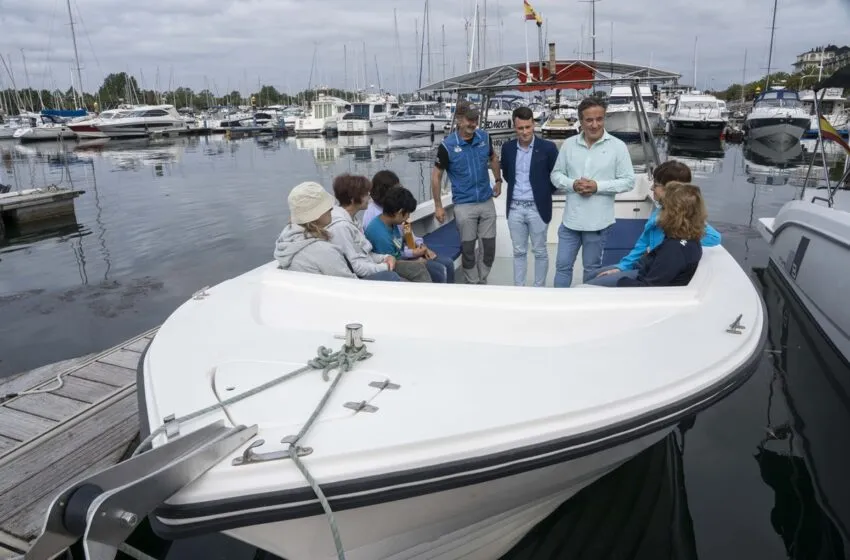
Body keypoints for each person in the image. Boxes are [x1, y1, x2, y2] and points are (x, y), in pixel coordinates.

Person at [586, 160, 722, 287]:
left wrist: (684, 229)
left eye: (656, 185)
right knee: (590, 276)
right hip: (644, 263)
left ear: (671, 189)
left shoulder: (676, 242)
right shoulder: (659, 212)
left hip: (649, 270)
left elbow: (714, 238)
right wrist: (621, 267)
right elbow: (642, 245)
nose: (651, 188)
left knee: (592, 285)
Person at [550, 97, 635, 287]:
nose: (595, 124)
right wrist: (573, 184)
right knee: (562, 267)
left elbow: (629, 182)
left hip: (598, 224)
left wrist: (597, 187)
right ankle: (558, 306)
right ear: (581, 121)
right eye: (589, 120)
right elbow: (555, 175)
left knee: (591, 269)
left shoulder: (617, 147)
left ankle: (585, 310)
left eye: (599, 119)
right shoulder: (569, 145)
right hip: (570, 222)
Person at [431, 101, 502, 284]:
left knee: (489, 249)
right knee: (468, 250)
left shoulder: (484, 138)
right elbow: (437, 176)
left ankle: (482, 280)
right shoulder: (447, 146)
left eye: (475, 119)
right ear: (459, 120)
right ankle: (472, 283)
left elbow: (493, 158)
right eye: (469, 120)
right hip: (464, 205)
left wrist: (498, 180)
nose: (473, 123)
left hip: (486, 201)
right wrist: (438, 206)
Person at [500, 106, 560, 287]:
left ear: (533, 124)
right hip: (515, 208)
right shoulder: (508, 148)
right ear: (514, 127)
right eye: (520, 128)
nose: (525, 132)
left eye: (528, 127)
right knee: (518, 251)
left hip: (538, 207)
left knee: (540, 250)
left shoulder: (548, 148)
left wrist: (542, 192)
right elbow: (507, 175)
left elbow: (555, 177)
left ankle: (539, 288)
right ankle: (519, 289)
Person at [363, 170, 455, 283]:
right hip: (396, 259)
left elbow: (407, 231)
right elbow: (391, 257)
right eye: (397, 188)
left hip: (405, 251)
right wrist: (414, 255)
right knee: (437, 271)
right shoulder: (379, 219)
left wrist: (421, 246)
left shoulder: (395, 216)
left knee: (447, 263)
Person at [617, 182, 707, 287]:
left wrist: (621, 281)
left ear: (672, 213)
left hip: (640, 288)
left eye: (663, 208)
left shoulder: (674, 250)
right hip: (644, 274)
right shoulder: (690, 240)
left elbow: (648, 288)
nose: (660, 212)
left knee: (595, 283)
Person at [326, 173, 404, 282]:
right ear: (353, 199)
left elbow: (365, 254)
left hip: (370, 266)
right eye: (365, 194)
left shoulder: (352, 221)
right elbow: (355, 267)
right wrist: (385, 267)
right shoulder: (341, 227)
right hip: (358, 280)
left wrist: (385, 257)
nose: (369, 196)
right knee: (398, 279)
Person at [274, 182, 356, 278]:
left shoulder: (285, 242)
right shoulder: (325, 251)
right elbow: (350, 284)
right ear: (316, 215)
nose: (331, 209)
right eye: (327, 207)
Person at [364, 187, 432, 282]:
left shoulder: (393, 223)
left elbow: (402, 245)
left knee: (440, 266)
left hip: (400, 259)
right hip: (389, 268)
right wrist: (416, 262)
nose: (408, 217)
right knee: (420, 270)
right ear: (399, 213)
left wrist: (420, 247)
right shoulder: (381, 235)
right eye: (408, 213)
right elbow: (392, 263)